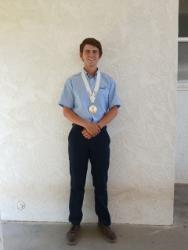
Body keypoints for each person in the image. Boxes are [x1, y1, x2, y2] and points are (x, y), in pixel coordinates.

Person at [58, 38, 120, 245]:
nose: (91, 55)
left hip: (100, 135)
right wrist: (86, 125)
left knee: (100, 180)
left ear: (99, 55)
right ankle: (75, 223)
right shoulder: (72, 82)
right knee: (77, 181)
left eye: (95, 51)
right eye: (87, 52)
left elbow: (114, 109)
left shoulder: (109, 81)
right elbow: (66, 110)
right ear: (81, 55)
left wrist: (98, 126)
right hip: (78, 135)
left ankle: (104, 222)